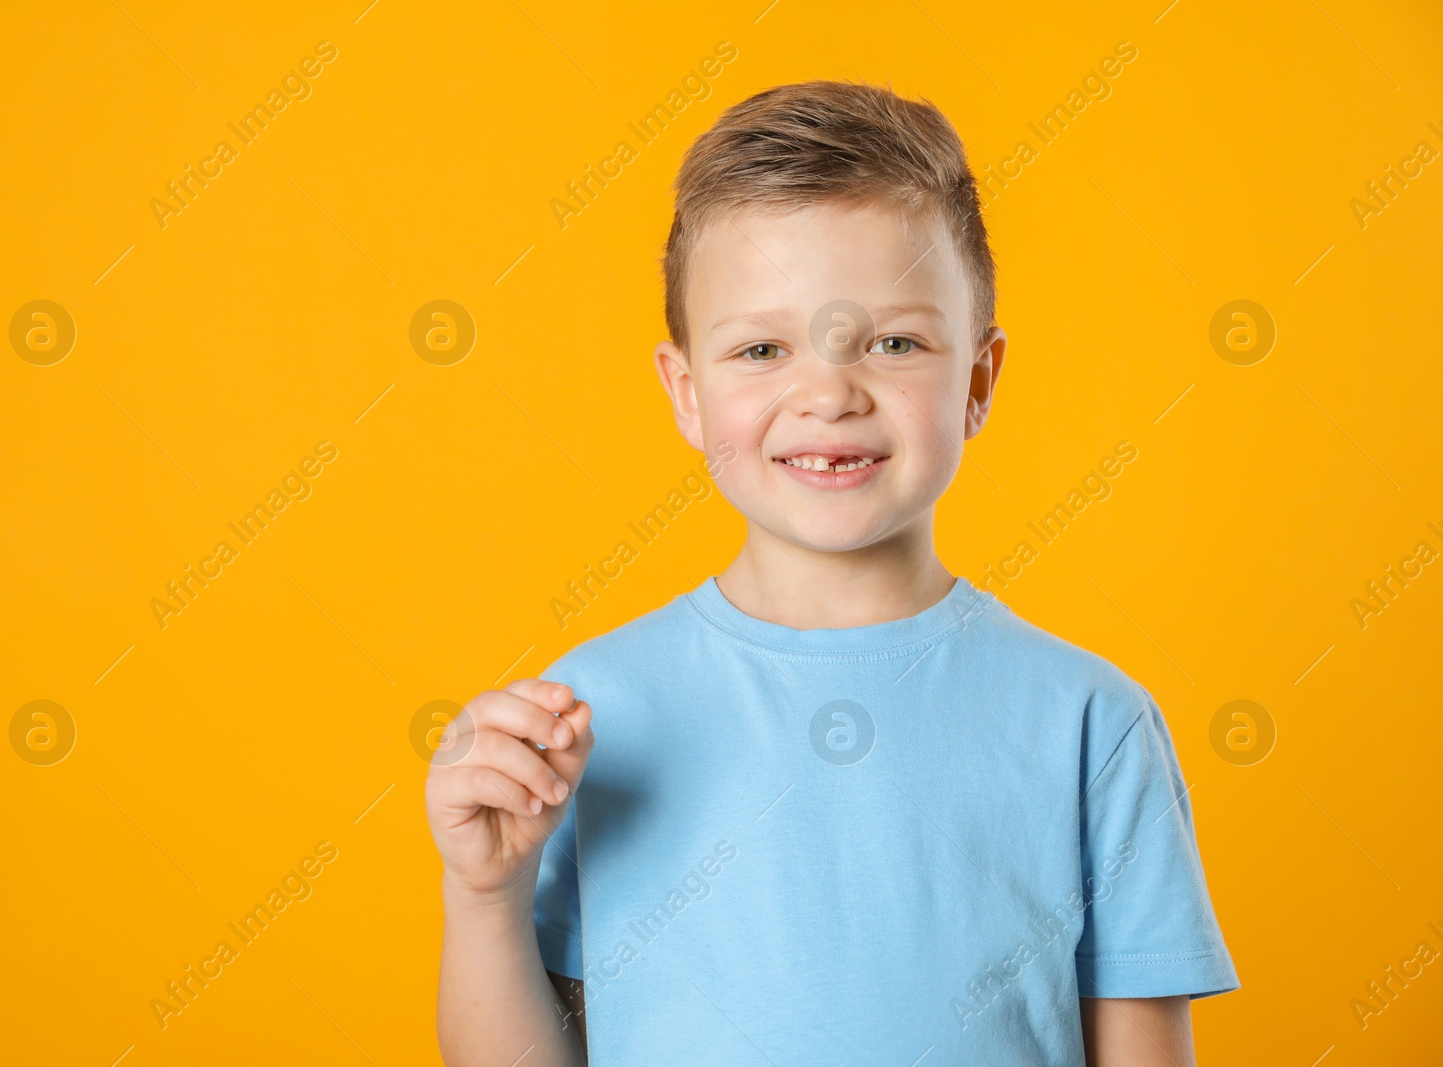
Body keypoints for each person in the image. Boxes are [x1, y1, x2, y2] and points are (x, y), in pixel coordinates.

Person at [426, 79, 1237, 1066]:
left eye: (892, 342)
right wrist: (483, 896)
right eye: (762, 347)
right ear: (686, 393)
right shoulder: (588, 717)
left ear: (977, 380)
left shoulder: (1089, 723)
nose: (826, 394)